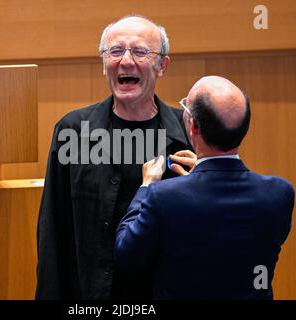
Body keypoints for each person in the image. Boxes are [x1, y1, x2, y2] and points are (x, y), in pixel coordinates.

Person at [36, 15, 195, 299]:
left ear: (163, 66)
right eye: (116, 51)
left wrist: (205, 180)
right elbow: (52, 232)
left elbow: (217, 229)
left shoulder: (190, 131)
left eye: (140, 51)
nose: (126, 61)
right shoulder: (73, 131)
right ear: (104, 63)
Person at [115, 76, 295, 299]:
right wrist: (199, 179)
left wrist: (146, 185)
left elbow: (126, 253)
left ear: (192, 126)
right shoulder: (280, 194)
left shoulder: (162, 196)